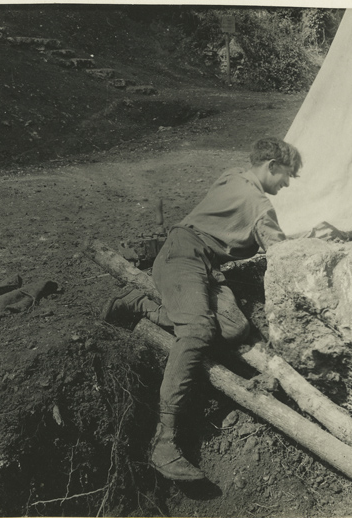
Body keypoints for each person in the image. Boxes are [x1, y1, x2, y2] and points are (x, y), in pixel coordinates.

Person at [102, 137, 302, 481]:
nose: (286, 184)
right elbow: (283, 255)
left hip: (205, 265)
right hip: (183, 254)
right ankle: (164, 441)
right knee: (197, 332)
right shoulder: (259, 205)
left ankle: (141, 305)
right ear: (271, 166)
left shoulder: (232, 176)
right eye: (286, 175)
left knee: (235, 329)